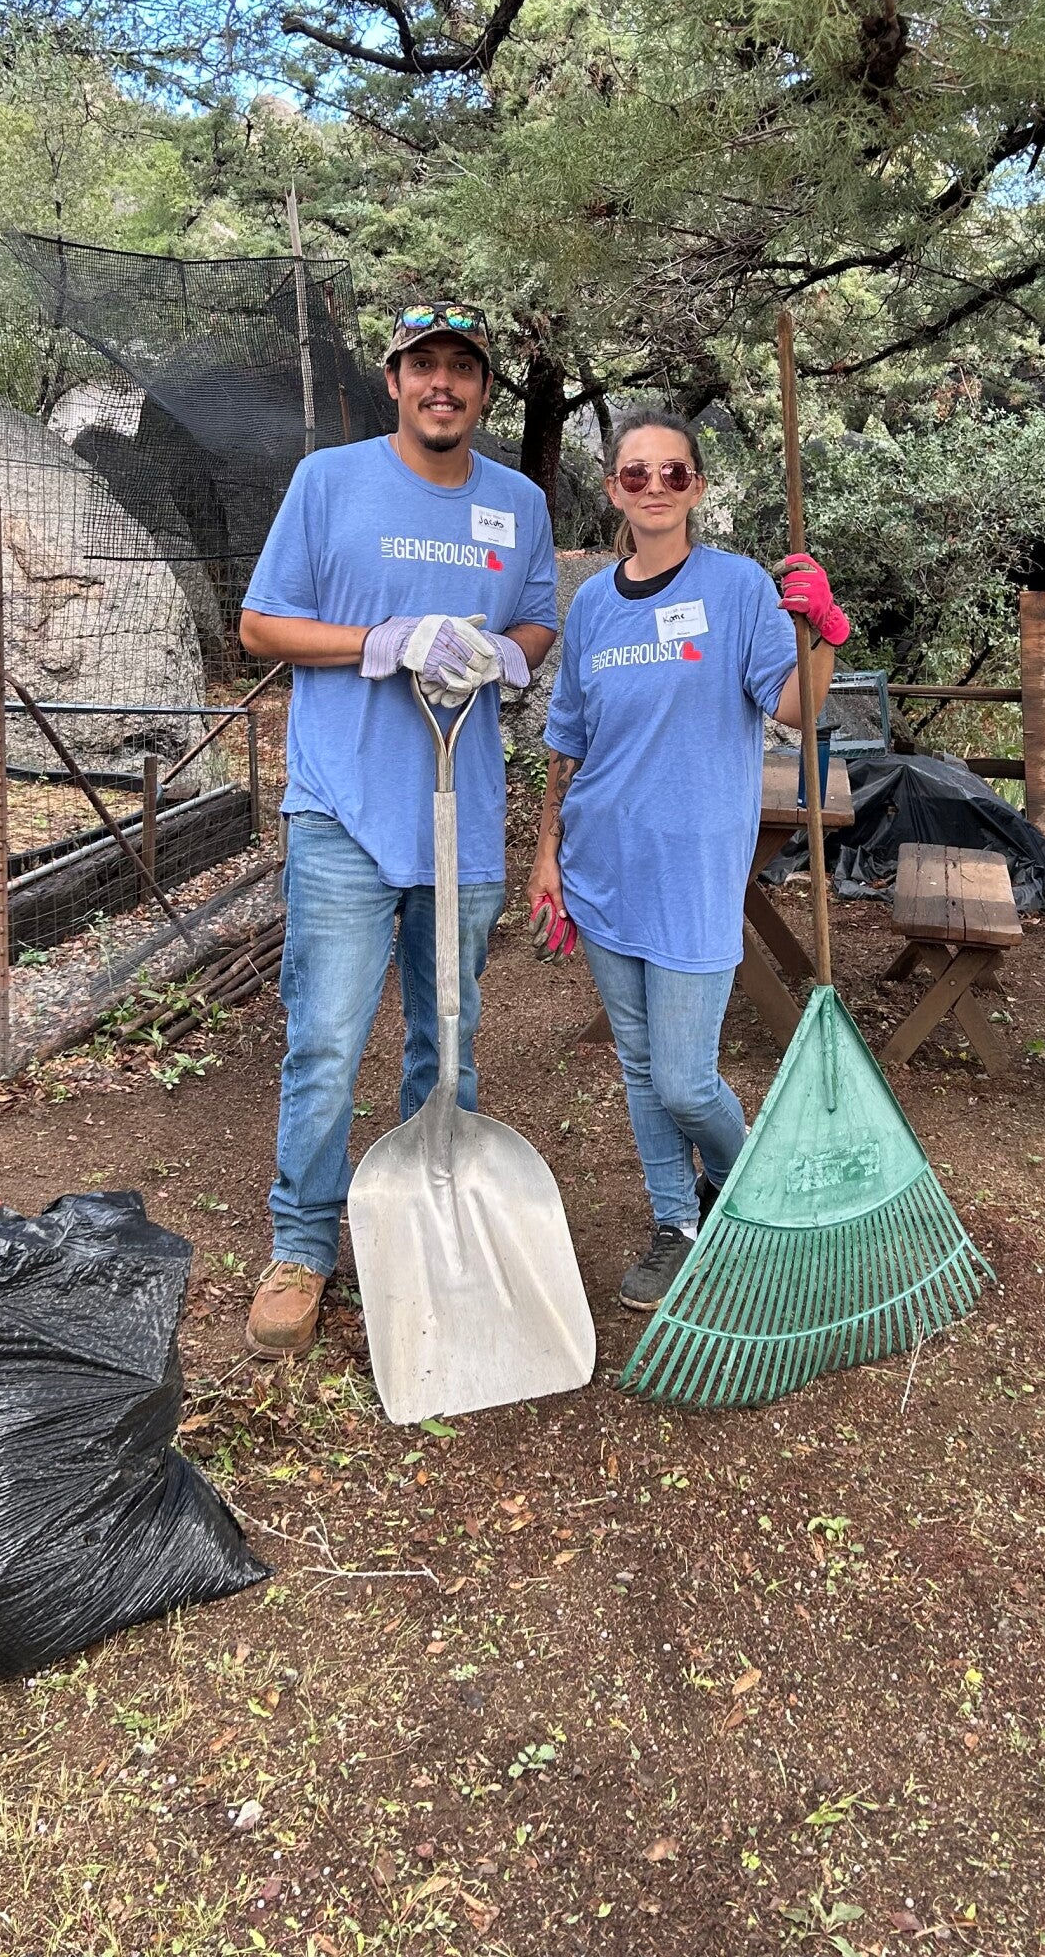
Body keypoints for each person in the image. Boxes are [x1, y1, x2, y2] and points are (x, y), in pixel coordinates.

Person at [237, 303, 558, 1355]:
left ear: (483, 390)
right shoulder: (328, 482)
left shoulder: (517, 503)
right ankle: (301, 1244)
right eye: (425, 366)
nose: (443, 384)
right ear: (395, 381)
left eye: (463, 368)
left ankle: (433, 1219)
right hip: (342, 808)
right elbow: (259, 626)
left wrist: (506, 654)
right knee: (327, 1039)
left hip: (462, 817)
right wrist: (382, 641)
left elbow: (539, 617)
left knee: (448, 1036)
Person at [527, 409, 849, 1309]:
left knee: (685, 1079)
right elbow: (567, 741)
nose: (656, 486)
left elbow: (795, 709)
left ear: (698, 487)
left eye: (674, 472)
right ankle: (677, 1221)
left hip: (695, 875)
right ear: (613, 490)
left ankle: (749, 1188)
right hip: (602, 868)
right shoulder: (593, 605)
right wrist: (547, 855)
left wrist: (822, 631)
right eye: (636, 473)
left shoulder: (738, 587)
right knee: (639, 1068)